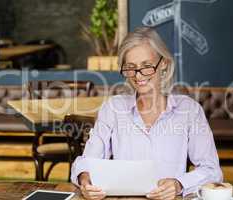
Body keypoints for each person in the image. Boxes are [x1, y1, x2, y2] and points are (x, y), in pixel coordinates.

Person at [71, 27, 223, 200]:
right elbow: (86, 162)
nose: (138, 76)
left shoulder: (189, 110)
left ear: (163, 63)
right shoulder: (113, 109)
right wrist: (85, 179)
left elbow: (212, 171)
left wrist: (178, 184)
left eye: (146, 66)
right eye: (131, 68)